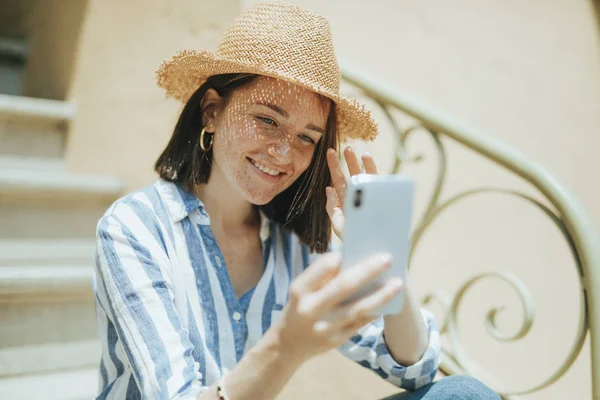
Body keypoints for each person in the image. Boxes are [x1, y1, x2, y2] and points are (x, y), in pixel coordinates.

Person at [93, 2, 500, 399]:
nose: (285, 154)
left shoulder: (297, 249)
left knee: (464, 393)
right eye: (267, 120)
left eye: (307, 137)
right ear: (212, 112)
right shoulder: (135, 228)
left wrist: (383, 258)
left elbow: (416, 368)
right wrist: (287, 346)